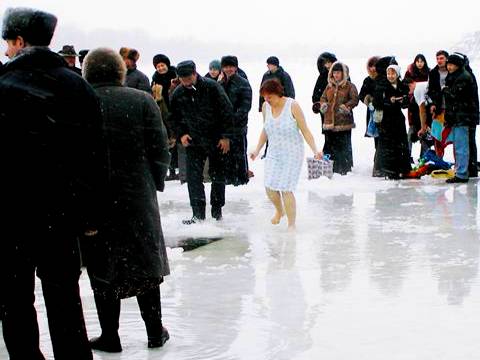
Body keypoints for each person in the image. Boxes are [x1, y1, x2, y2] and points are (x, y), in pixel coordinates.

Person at [0, 7, 106, 360]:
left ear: (19, 41)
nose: (6, 51)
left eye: (8, 43)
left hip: (10, 213)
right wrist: (91, 216)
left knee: (15, 300)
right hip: (61, 212)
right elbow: (94, 155)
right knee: (64, 297)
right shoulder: (77, 86)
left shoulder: (3, 84)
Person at [82, 47, 171, 352]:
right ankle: (154, 332)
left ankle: (110, 335)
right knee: (146, 268)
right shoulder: (141, 100)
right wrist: (153, 183)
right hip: (137, 197)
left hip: (96, 198)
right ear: (120, 72)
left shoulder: (82, 102)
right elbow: (161, 149)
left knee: (102, 269)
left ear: (88, 71)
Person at [250, 79, 322, 231]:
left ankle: (291, 224)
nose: (266, 100)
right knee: (269, 187)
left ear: (278, 94)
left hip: (292, 152)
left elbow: (305, 130)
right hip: (274, 152)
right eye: (264, 97)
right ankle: (279, 210)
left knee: (285, 189)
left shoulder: (292, 106)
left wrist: (315, 150)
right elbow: (266, 129)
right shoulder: (265, 107)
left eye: (269, 97)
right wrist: (257, 150)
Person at [169, 60, 234, 223]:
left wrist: (225, 136)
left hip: (216, 139)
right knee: (193, 177)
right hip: (194, 141)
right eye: (182, 79)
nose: (186, 82)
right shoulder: (178, 93)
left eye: (188, 78)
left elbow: (227, 111)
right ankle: (197, 214)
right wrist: (181, 134)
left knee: (218, 175)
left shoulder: (212, 87)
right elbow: (173, 118)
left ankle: (217, 211)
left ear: (195, 73)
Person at [319, 61, 359, 175]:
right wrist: (323, 105)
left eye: (338, 72)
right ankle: (329, 168)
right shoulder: (329, 86)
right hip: (329, 121)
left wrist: (346, 106)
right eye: (334, 72)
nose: (336, 75)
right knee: (329, 146)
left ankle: (344, 169)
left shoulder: (350, 86)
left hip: (343, 123)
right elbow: (322, 98)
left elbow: (355, 99)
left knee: (343, 147)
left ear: (343, 73)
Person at [443, 52, 477, 183]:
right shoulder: (457, 76)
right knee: (461, 145)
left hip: (462, 117)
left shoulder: (463, 77)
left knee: (461, 146)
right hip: (460, 116)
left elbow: (456, 96)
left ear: (457, 65)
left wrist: (445, 90)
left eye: (451, 64)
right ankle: (464, 170)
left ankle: (462, 173)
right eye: (448, 64)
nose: (449, 67)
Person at [219, 55, 253, 185]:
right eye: (226, 67)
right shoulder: (220, 84)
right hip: (224, 127)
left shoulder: (243, 83)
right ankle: (228, 179)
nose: (228, 69)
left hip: (238, 126)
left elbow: (245, 107)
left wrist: (233, 119)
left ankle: (241, 179)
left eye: (231, 66)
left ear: (236, 67)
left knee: (239, 154)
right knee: (226, 155)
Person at [373, 64, 412, 179]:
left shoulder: (402, 85)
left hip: (398, 119)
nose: (390, 76)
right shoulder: (382, 85)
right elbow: (376, 103)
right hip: (386, 119)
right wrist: (388, 101)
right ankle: (385, 169)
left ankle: (401, 168)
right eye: (388, 73)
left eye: (393, 73)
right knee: (385, 145)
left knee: (400, 144)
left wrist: (403, 100)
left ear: (397, 74)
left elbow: (406, 104)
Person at [151, 53, 179, 180]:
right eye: (158, 66)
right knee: (168, 142)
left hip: (176, 111)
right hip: (163, 112)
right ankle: (171, 170)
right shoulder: (155, 79)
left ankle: (182, 171)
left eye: (162, 65)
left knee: (179, 141)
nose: (160, 68)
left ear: (167, 64)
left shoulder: (175, 75)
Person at [404, 54, 431, 160]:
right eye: (418, 61)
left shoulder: (429, 73)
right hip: (413, 107)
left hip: (426, 106)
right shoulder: (410, 73)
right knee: (411, 131)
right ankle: (407, 155)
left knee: (425, 131)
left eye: (421, 61)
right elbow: (405, 87)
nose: (419, 63)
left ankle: (423, 156)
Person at [359, 56, 382, 176]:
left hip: (385, 113)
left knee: (384, 138)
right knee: (376, 139)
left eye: (375, 65)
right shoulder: (367, 80)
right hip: (372, 114)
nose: (373, 68)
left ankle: (381, 163)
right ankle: (377, 163)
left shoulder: (384, 78)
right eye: (371, 66)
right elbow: (361, 95)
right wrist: (368, 99)